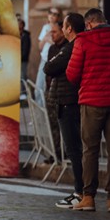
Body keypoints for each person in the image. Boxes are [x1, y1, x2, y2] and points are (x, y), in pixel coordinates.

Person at [66, 8, 110, 212]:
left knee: (90, 149)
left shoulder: (83, 41)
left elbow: (72, 74)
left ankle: (88, 197)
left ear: (88, 24)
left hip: (91, 102)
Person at [43, 13, 84, 208]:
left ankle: (81, 192)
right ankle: (85, 192)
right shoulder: (72, 46)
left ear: (68, 29)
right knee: (78, 149)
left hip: (69, 101)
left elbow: (49, 67)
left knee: (74, 149)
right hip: (72, 100)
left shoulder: (71, 47)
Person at [44, 21, 67, 162]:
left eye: (54, 32)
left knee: (65, 125)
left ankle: (67, 153)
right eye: (51, 32)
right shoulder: (52, 49)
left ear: (63, 32)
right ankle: (55, 152)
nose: (51, 34)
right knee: (52, 124)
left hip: (64, 92)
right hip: (51, 91)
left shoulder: (67, 48)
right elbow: (48, 69)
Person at [36, 7, 62, 100]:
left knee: (52, 89)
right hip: (44, 59)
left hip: (55, 60)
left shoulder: (60, 28)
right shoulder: (45, 27)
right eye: (50, 13)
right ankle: (40, 113)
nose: (52, 16)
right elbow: (40, 46)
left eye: (55, 14)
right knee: (39, 88)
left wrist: (51, 39)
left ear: (58, 17)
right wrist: (46, 37)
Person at [19, 18, 31, 99]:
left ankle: (24, 93)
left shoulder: (25, 36)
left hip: (23, 60)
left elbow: (25, 50)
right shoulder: (16, 35)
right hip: (16, 60)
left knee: (23, 76)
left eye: (20, 24)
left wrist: (20, 57)